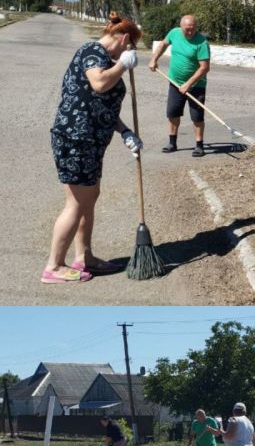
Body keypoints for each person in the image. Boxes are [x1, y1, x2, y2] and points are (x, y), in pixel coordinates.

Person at [43, 17, 143, 283]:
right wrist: (123, 64)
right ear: (125, 39)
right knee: (76, 203)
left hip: (91, 141)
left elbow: (100, 105)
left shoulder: (106, 61)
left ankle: (84, 256)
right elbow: (99, 83)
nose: (127, 53)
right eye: (130, 47)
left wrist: (125, 132)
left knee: (89, 197)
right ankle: (53, 267)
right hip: (76, 138)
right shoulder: (92, 52)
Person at [148, 15, 211, 157]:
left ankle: (199, 146)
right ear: (181, 26)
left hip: (196, 85)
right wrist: (153, 59)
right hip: (175, 83)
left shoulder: (202, 42)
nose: (190, 32)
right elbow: (163, 44)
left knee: (197, 116)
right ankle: (172, 143)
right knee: (173, 113)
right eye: (187, 29)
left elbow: (204, 67)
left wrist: (189, 84)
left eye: (192, 29)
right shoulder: (174, 33)